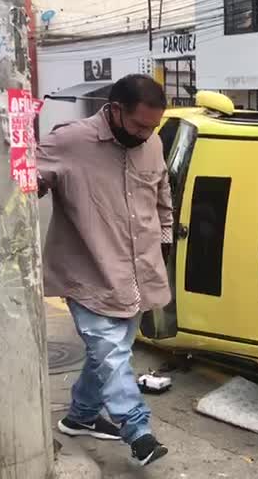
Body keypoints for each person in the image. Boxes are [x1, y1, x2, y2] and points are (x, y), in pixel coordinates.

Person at [37, 74, 173, 467]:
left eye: (153, 127)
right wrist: (33, 184)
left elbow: (162, 193)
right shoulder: (70, 140)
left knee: (109, 354)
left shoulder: (153, 143)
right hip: (86, 272)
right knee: (111, 353)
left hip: (136, 275)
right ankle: (137, 430)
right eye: (138, 125)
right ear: (115, 110)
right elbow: (22, 177)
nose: (146, 134)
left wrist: (164, 238)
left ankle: (80, 417)